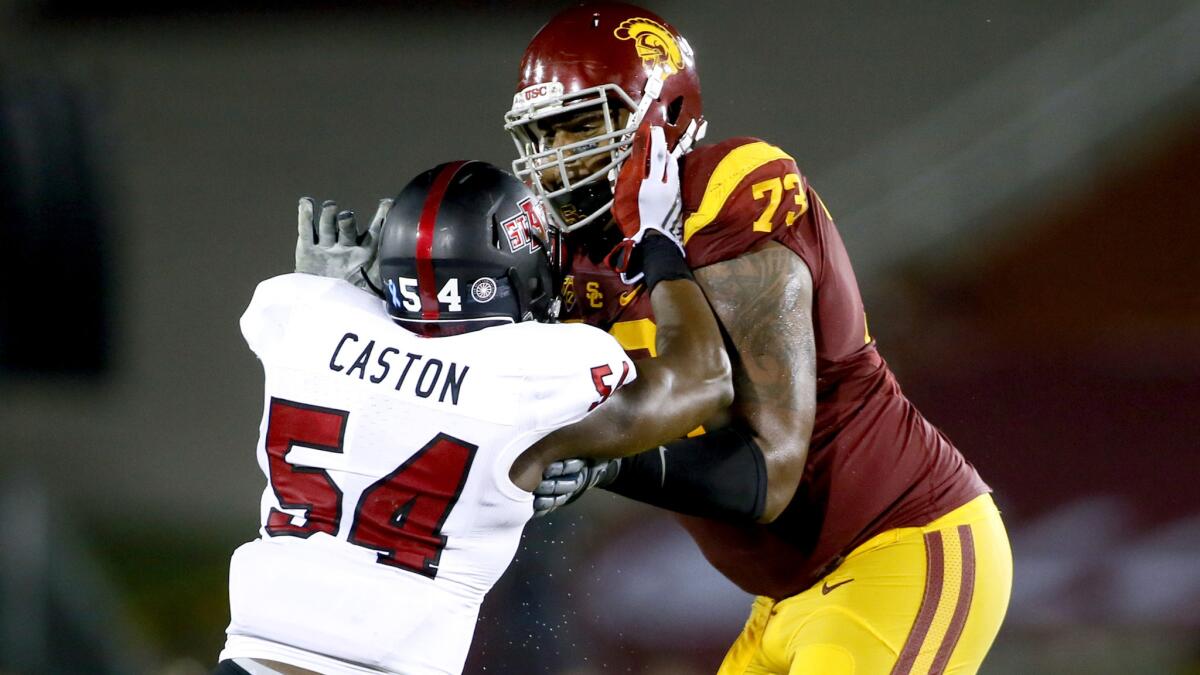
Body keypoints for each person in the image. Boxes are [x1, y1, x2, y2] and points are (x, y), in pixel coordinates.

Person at [504, 3, 1013, 673]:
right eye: (543, 136)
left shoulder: (732, 189)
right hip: (782, 599)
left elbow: (769, 471)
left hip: (897, 548)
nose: (557, 158)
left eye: (580, 128)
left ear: (666, 118)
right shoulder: (566, 256)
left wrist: (606, 461)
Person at [216, 158, 731, 675]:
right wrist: (662, 249)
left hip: (250, 659)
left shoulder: (299, 315)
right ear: (521, 276)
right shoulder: (540, 375)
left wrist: (346, 300)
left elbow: (385, 387)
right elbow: (704, 380)